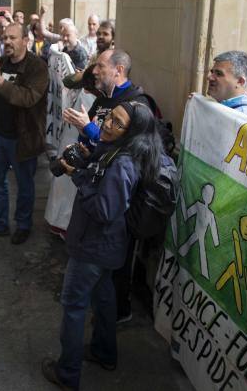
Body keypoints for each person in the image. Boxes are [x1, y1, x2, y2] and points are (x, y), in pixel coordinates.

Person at [42, 101, 166, 391]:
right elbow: (103, 181)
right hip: (107, 248)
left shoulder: (124, 162)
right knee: (105, 297)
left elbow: (104, 210)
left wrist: (77, 177)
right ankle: (104, 352)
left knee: (74, 306)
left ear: (132, 132)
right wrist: (88, 161)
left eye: (117, 123)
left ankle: (68, 373)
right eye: (109, 118)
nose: (108, 125)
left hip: (93, 247)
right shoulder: (119, 150)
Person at [0, 23, 49, 244]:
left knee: (25, 184)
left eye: (12, 38)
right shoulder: (2, 62)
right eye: (4, 37)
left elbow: (28, 98)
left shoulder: (38, 67)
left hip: (23, 137)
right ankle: (0, 223)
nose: (6, 41)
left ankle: (24, 225)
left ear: (25, 41)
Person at [206, 50, 247, 121]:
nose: (209, 77)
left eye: (219, 74)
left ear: (240, 82)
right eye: (212, 72)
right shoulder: (222, 107)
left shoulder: (245, 119)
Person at [63, 20, 116, 89]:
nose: (100, 36)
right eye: (99, 34)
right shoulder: (95, 56)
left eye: (105, 34)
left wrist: (83, 75)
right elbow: (68, 81)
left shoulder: (114, 58)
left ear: (113, 38)